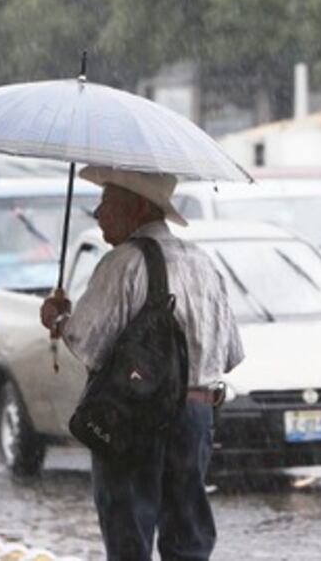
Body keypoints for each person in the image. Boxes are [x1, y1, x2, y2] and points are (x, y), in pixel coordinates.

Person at [40, 165, 244, 561]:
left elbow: (88, 343)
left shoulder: (122, 263)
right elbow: (230, 354)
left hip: (134, 416)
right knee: (188, 536)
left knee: (128, 535)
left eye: (106, 202)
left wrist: (57, 318)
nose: (98, 213)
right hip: (195, 416)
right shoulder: (203, 264)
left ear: (136, 208)